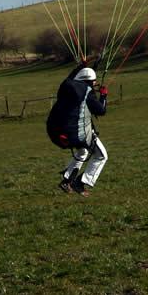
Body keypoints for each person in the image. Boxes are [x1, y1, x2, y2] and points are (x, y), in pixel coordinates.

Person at [46, 62, 108, 196]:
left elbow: (71, 77)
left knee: (82, 152)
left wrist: (80, 67)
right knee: (101, 156)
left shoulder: (66, 87)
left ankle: (66, 181)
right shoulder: (88, 93)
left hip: (59, 133)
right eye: (93, 81)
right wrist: (103, 96)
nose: (95, 84)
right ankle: (80, 182)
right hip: (79, 134)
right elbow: (101, 111)